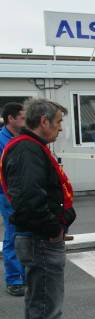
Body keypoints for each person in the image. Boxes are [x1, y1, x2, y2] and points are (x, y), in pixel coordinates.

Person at [2, 98, 81, 319]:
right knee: (45, 307)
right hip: (39, 239)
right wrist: (52, 229)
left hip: (35, 237)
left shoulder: (28, 147)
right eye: (58, 122)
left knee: (38, 304)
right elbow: (27, 200)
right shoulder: (27, 150)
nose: (60, 129)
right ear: (44, 121)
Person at [0, 102, 26, 296]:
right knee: (12, 235)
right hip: (8, 194)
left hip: (24, 193)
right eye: (22, 117)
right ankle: (14, 279)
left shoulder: (22, 137)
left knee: (25, 234)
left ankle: (23, 276)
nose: (25, 120)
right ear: (11, 118)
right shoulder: (1, 139)